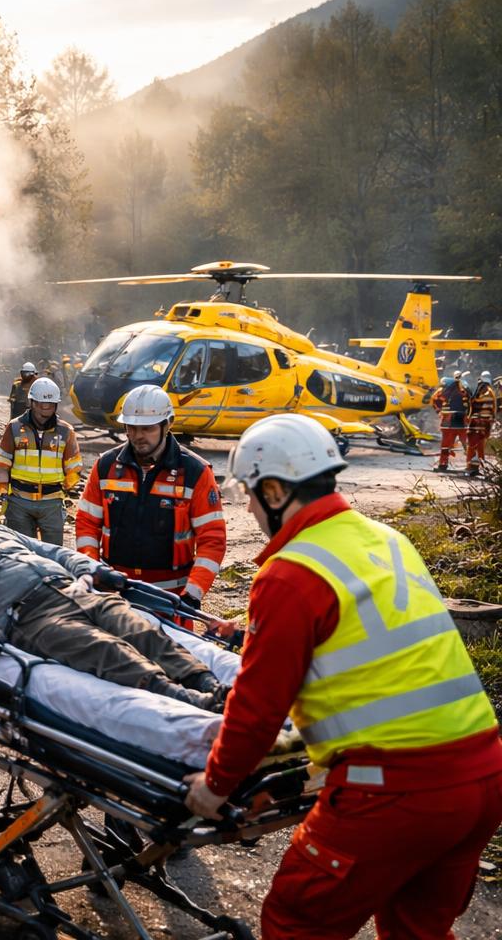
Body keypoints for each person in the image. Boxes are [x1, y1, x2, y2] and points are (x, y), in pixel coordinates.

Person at [185, 414, 502, 939]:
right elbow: (366, 629)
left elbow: (257, 709)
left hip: (395, 794)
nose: (246, 506)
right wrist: (254, 632)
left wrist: (216, 786)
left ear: (274, 489)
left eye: (248, 492)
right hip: (483, 778)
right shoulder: (384, 539)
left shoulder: (290, 573)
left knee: (295, 924)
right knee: (416, 931)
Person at [0, 491, 227, 710]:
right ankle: (192, 701)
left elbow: (54, 551)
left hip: (75, 591)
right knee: (106, 649)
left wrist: (94, 570)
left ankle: (210, 684)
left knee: (142, 631)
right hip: (31, 618)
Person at [74, 385, 227, 615]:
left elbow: (212, 539)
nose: (138, 436)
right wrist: (93, 569)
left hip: (171, 602)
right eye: (132, 428)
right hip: (115, 597)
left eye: (147, 428)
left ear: (168, 424)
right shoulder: (106, 466)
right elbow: (87, 524)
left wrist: (193, 594)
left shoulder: (195, 472)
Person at [0, 376, 81, 544]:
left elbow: (74, 467)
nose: (44, 409)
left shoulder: (66, 431)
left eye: (49, 405)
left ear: (55, 405)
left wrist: (63, 491)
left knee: (53, 553)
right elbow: (2, 462)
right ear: (31, 402)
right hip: (19, 501)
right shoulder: (14, 427)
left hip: (52, 503)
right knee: (23, 553)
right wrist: (4, 492)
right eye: (40, 404)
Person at [432, 373, 469, 472]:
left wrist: (439, 411)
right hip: (462, 423)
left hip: (448, 423)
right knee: (468, 445)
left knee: (445, 445)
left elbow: (434, 400)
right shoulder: (465, 391)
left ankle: (443, 464)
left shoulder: (444, 391)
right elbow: (471, 404)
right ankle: (471, 466)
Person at [467, 369, 495, 477]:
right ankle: (480, 467)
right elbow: (492, 409)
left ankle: (471, 467)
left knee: (472, 446)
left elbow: (472, 406)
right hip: (483, 424)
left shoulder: (479, 391)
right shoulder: (489, 391)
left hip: (475, 423)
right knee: (480, 446)